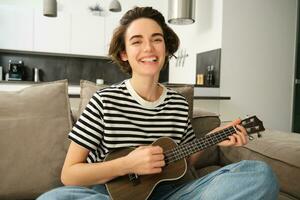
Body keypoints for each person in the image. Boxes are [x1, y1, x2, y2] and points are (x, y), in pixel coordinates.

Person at [37, 6, 278, 200]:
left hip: (171, 193)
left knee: (259, 175)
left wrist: (215, 137)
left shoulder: (177, 104)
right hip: (111, 194)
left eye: (156, 39)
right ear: (124, 53)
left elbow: (182, 162)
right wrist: (127, 164)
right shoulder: (103, 101)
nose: (149, 48)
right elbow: (69, 174)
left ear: (166, 47)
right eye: (137, 41)